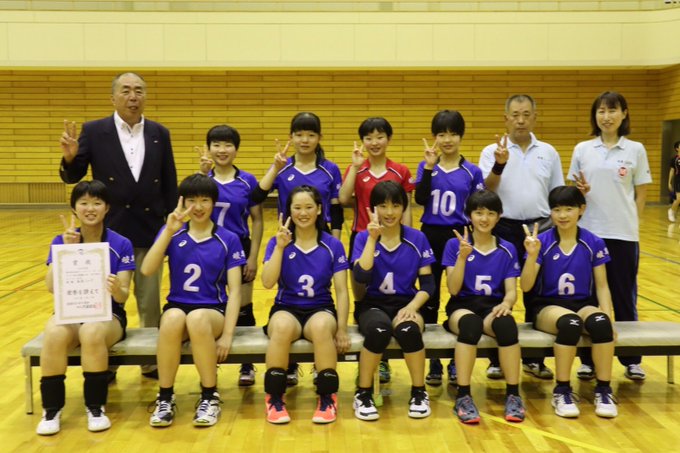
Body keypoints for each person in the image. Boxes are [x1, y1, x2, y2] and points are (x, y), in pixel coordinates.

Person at [59, 72, 178, 379]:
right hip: (108, 232)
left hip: (150, 229)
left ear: (145, 97)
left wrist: (170, 227)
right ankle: (105, 362)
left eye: (138, 90)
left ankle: (151, 362)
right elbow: (74, 177)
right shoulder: (94, 130)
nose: (133, 96)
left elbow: (169, 179)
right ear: (113, 98)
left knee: (150, 301)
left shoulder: (159, 132)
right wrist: (70, 159)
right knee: (105, 299)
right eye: (125, 91)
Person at [142, 174, 245, 428]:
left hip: (212, 311)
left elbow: (235, 291)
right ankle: (165, 397)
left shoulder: (228, 239)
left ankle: (210, 396)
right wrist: (168, 231)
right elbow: (147, 269)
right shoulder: (173, 233)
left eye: (204, 200)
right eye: (191, 200)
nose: (198, 207)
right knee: (172, 318)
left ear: (214, 203)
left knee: (197, 318)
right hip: (178, 306)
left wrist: (228, 335)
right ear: (182, 202)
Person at [252, 112, 344, 385]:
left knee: (320, 304)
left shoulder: (329, 169)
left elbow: (337, 210)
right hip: (287, 237)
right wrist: (275, 167)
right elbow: (256, 196)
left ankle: (322, 371)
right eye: (299, 134)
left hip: (320, 236)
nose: (305, 140)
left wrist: (335, 241)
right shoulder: (284, 167)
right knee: (287, 297)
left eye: (311, 134)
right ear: (291, 137)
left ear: (319, 138)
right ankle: (286, 369)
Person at [36, 180, 135, 435]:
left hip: (108, 314)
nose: (90, 209)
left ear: (107, 208)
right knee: (54, 332)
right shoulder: (61, 240)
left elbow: (123, 296)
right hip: (71, 309)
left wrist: (116, 288)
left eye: (97, 203)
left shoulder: (121, 243)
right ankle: (51, 409)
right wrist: (66, 251)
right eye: (84, 203)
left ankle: (95, 407)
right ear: (74, 208)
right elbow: (51, 287)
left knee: (91, 331)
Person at [568, 91, 652, 381]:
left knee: (624, 295)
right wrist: (580, 192)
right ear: (595, 116)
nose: (606, 117)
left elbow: (641, 192)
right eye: (601, 111)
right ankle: (588, 360)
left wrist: (632, 222)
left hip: (623, 235)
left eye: (612, 110)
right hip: (589, 234)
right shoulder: (582, 149)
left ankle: (632, 360)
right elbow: (573, 192)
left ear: (624, 114)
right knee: (588, 297)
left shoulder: (635, 149)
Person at [479, 94, 563, 381]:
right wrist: (499, 164)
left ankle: (535, 359)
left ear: (535, 117)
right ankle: (496, 360)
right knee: (498, 293)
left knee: (537, 292)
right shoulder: (491, 151)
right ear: (506, 119)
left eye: (526, 114)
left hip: (540, 228)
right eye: (515, 115)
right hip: (502, 227)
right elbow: (486, 190)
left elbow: (556, 193)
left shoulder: (548, 152)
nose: (521, 120)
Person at [520, 186, 618, 418]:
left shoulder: (593, 242)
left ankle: (604, 390)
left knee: (601, 324)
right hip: (547, 307)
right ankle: (562, 390)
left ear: (581, 209)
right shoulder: (541, 242)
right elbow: (525, 286)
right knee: (570, 324)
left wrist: (609, 318)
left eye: (568, 209)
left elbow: (602, 286)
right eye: (556, 210)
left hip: (583, 303)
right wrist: (532, 256)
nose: (562, 215)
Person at [260, 185, 350, 424]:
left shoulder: (332, 245)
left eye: (309, 207)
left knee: (321, 327)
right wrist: (280, 248)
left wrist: (342, 328)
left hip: (320, 308)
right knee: (281, 327)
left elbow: (342, 291)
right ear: (289, 210)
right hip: (286, 308)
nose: (303, 213)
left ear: (319, 209)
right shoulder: (278, 241)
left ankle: (327, 397)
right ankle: (274, 398)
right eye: (297, 207)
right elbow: (267, 282)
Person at [339, 117, 416, 383]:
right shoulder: (356, 168)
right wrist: (354, 168)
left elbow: (406, 208)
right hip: (363, 239)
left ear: (389, 139)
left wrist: (409, 238)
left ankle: (383, 361)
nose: (374, 142)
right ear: (362, 141)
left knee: (393, 295)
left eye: (380, 136)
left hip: (394, 241)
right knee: (364, 299)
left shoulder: (400, 171)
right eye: (369, 137)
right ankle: (371, 355)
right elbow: (343, 198)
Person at [351, 181, 435, 421]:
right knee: (379, 331)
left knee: (409, 331)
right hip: (372, 305)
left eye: (395, 205)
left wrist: (412, 307)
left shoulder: (417, 238)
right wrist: (372, 239)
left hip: (406, 303)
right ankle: (363, 393)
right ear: (373, 209)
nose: (389, 212)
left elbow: (428, 285)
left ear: (403, 208)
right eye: (383, 206)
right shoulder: (362, 238)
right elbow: (361, 276)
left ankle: (419, 392)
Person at [441, 190, 525, 424]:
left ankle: (513, 395)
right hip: (462, 307)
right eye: (479, 213)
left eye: (490, 213)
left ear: (499, 216)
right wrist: (462, 257)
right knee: (471, 325)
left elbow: (511, 291)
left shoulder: (507, 248)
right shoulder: (455, 244)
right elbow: (453, 289)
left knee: (507, 326)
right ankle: (463, 395)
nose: (484, 218)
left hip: (492, 307)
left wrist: (506, 304)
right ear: (469, 216)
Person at [415, 109, 484, 387]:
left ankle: (457, 359)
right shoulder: (426, 165)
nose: (447, 139)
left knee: (461, 294)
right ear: (434, 137)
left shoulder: (472, 171)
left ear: (461, 137)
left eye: (453, 134)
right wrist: (428, 168)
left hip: (459, 236)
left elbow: (478, 205)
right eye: (441, 134)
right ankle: (433, 359)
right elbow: (420, 199)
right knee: (429, 294)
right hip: (430, 234)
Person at [198, 124, 264, 387]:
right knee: (209, 303)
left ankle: (247, 364)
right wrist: (201, 175)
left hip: (239, 247)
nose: (222, 150)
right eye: (216, 144)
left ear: (236, 149)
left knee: (244, 306)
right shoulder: (203, 180)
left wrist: (253, 256)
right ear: (209, 148)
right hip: (207, 248)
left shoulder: (247, 181)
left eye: (227, 145)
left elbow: (258, 220)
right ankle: (208, 360)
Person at [667, 140, 680, 222]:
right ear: (677, 148)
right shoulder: (674, 159)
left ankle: (675, 212)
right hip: (678, 180)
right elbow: (672, 171)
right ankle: (671, 210)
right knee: (679, 198)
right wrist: (669, 182)